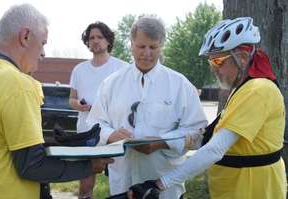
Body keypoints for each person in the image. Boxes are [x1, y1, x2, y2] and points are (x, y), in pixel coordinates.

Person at [0, 4, 112, 199]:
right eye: (43, 43)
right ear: (25, 36)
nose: (43, 53)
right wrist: (89, 166)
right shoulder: (18, 85)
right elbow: (32, 165)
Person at [128, 17, 287, 199]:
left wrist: (159, 184)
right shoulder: (243, 90)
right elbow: (208, 136)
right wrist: (163, 140)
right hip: (236, 187)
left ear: (242, 58)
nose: (213, 69)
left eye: (218, 61)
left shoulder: (257, 90)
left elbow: (214, 149)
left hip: (252, 188)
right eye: (210, 62)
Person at [87, 17, 207, 199]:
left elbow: (198, 132)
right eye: (141, 47)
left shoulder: (180, 85)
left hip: (165, 186)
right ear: (131, 45)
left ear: (162, 46)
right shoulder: (111, 84)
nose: (147, 53)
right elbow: (94, 123)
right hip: (122, 185)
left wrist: (162, 142)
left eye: (153, 47)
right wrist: (111, 135)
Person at [69, 21, 128, 199]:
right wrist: (78, 105)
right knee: (86, 185)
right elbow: (71, 99)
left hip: (114, 133)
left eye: (99, 37)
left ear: (108, 40)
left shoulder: (122, 68)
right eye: (91, 38)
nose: (95, 41)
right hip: (86, 132)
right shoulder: (79, 70)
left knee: (120, 183)